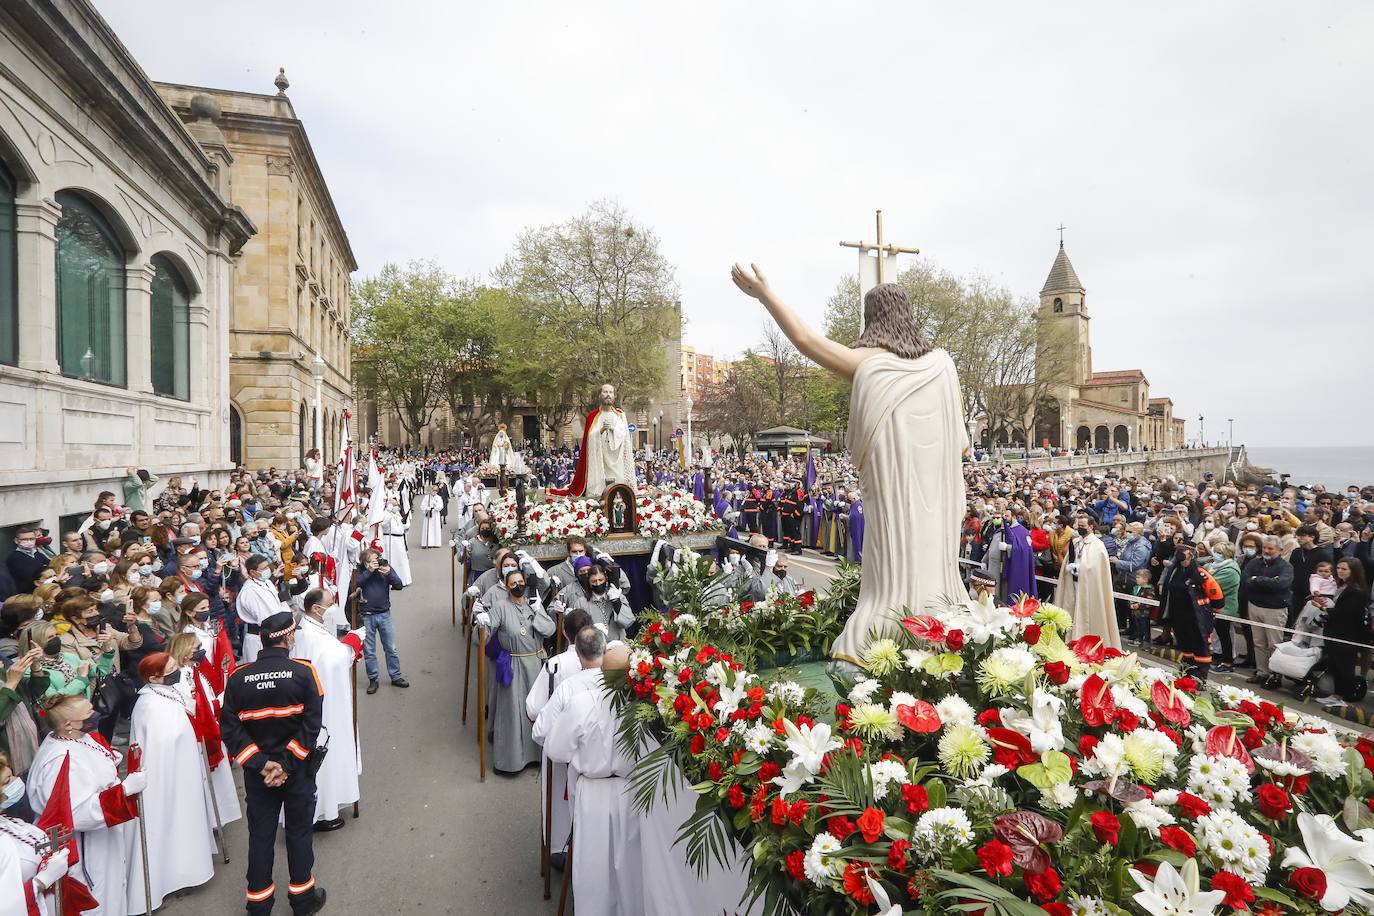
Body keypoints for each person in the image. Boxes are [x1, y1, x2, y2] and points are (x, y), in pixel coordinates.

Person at [732, 269, 967, 668]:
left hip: (893, 491)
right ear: (908, 315)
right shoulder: (942, 365)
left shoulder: (868, 361)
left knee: (892, 558)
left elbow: (807, 341)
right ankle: (943, 625)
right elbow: (959, 446)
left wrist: (765, 294)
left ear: (872, 318)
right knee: (932, 556)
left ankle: (887, 631)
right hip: (938, 494)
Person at [220, 612, 327, 916]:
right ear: (288, 638)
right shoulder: (304, 672)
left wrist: (262, 764)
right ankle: (303, 900)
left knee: (261, 836)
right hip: (298, 771)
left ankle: (259, 904)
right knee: (298, 833)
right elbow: (311, 725)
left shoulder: (238, 677)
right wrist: (286, 765)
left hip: (259, 776)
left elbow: (230, 729)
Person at [532, 637, 641, 916]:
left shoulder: (583, 703)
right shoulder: (643, 709)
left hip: (593, 793)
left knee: (593, 869)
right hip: (630, 793)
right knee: (627, 868)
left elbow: (555, 749)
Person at [27, 693, 145, 916]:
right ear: (68, 723)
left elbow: (93, 759)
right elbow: (77, 813)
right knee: (101, 900)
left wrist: (109, 762)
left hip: (103, 839)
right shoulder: (61, 759)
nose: (95, 715)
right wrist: (125, 790)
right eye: (88, 714)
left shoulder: (77, 736)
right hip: (86, 847)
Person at [126, 652, 215, 909]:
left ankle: (187, 869)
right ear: (154, 677)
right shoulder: (149, 706)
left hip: (182, 772)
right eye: (172, 668)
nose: (177, 671)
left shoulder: (166, 692)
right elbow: (158, 745)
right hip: (164, 780)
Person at [525, 608, 594, 874]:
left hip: (558, 747)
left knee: (558, 800)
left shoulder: (555, 666)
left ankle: (558, 848)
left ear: (565, 632)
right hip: (591, 751)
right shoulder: (603, 663)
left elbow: (533, 709)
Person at [291, 588, 361, 831]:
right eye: (330, 605)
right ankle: (322, 811)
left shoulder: (313, 629)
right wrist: (351, 645)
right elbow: (330, 661)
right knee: (323, 757)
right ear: (316, 609)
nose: (334, 608)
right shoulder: (310, 636)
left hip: (322, 702)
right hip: (324, 707)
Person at [473, 568, 556, 774]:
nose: (518, 586)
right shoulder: (501, 607)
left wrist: (538, 611)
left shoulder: (532, 604)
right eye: (513, 583)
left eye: (521, 582)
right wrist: (480, 624)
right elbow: (481, 636)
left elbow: (549, 630)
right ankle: (511, 761)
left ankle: (537, 756)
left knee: (536, 710)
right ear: (506, 586)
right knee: (513, 712)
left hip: (536, 665)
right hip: (514, 665)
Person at [549, 384, 636, 500]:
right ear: (600, 395)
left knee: (618, 492)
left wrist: (613, 430)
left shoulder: (620, 415)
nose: (608, 395)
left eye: (611, 392)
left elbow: (624, 436)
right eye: (605, 392)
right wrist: (601, 430)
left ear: (614, 396)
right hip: (600, 460)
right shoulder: (592, 416)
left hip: (616, 459)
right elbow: (589, 439)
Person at [1058, 515, 1121, 650]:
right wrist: (1069, 567)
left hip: (1088, 587)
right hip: (1073, 585)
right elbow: (1068, 560)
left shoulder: (1098, 545)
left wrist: (1081, 568)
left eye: (1083, 526)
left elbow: (1096, 568)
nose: (1080, 529)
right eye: (1078, 526)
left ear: (1091, 527)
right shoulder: (1075, 542)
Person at [1241, 535, 1295, 688]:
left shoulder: (1286, 567)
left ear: (1280, 550)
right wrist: (1266, 581)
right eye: (1265, 547)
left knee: (1274, 643)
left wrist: (1257, 579)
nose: (1267, 551)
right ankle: (1262, 672)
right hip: (1255, 605)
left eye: (1271, 548)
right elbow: (1245, 580)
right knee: (1258, 642)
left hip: (1275, 609)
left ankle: (1274, 675)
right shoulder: (1254, 563)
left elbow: (1281, 584)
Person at [354, 550, 408, 695]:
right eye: (372, 561)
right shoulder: (359, 572)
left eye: (377, 559)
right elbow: (355, 585)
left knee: (391, 648)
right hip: (366, 616)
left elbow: (399, 585)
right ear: (364, 562)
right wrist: (369, 572)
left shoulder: (384, 568)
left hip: (384, 614)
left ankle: (396, 676)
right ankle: (373, 679)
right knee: (369, 651)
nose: (376, 563)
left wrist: (389, 572)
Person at [1320, 558, 1372, 707]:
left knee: (1346, 667)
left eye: (1344, 569)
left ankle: (1347, 697)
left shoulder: (1356, 591)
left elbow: (1345, 613)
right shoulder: (1342, 586)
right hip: (1334, 632)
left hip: (1347, 634)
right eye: (1338, 568)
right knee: (1335, 665)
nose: (1340, 571)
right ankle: (1337, 694)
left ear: (1353, 571)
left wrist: (1324, 608)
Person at [563, 563, 633, 644]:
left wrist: (616, 602)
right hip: (594, 648)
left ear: (606, 579)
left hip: (618, 644)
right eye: (594, 581)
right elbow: (578, 629)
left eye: (600, 580)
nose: (598, 583)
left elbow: (628, 622)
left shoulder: (618, 596)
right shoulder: (581, 602)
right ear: (589, 583)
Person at [236, 555, 286, 665]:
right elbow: (264, 617)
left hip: (274, 634)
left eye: (267, 567)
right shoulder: (250, 591)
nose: (267, 570)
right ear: (253, 572)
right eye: (263, 569)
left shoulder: (267, 582)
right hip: (259, 638)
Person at [419, 485, 444, 549]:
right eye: (433, 490)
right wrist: (427, 508)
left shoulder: (439, 498)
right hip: (429, 513)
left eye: (435, 491)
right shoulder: (427, 497)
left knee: (435, 527)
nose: (434, 492)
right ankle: (427, 542)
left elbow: (441, 506)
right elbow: (422, 506)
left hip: (435, 514)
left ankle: (436, 542)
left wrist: (435, 506)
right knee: (428, 527)